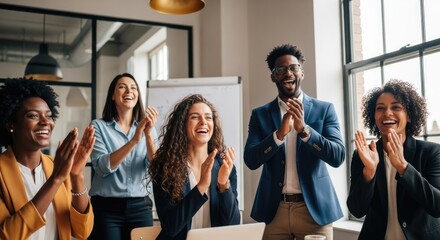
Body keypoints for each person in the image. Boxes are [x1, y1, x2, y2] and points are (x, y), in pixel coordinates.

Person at [244, 44, 345, 240]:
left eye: (293, 68)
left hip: (314, 211)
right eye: (280, 70)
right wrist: (278, 136)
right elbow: (251, 160)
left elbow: (337, 156)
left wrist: (305, 131)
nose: (288, 73)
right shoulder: (260, 114)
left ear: (302, 73)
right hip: (274, 212)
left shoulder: (324, 110)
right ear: (273, 76)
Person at [0, 78, 94, 240]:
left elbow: (82, 231)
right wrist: (55, 179)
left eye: (49, 116)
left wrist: (76, 175)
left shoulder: (56, 165)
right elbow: (7, 236)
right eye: (33, 115)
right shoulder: (2, 171)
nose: (45, 122)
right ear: (10, 124)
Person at [347, 79, 440, 239]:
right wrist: (369, 173)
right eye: (380, 108)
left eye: (396, 107)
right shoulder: (362, 155)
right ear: (374, 117)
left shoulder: (431, 153)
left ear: (409, 115)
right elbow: (356, 210)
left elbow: (437, 206)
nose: (387, 113)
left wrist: (404, 167)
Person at [149, 94, 240, 240]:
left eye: (208, 117)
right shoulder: (165, 167)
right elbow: (171, 227)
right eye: (195, 117)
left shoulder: (225, 167)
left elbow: (232, 224)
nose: (203, 122)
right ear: (182, 124)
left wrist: (224, 186)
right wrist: (202, 186)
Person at [88, 73, 159, 240]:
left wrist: (148, 135)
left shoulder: (149, 128)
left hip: (140, 207)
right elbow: (102, 166)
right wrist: (134, 140)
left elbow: (155, 167)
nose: (129, 90)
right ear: (113, 95)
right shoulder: (98, 126)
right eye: (122, 86)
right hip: (107, 209)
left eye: (133, 87)